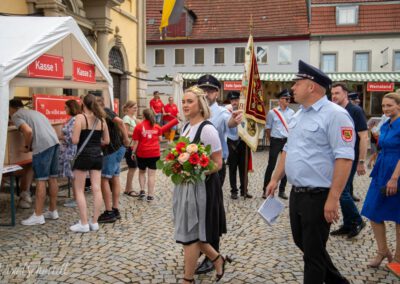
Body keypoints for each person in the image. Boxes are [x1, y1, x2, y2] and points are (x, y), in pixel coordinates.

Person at [266, 60, 354, 284]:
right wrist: (275, 178)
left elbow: (344, 158)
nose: (293, 88)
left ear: (311, 86)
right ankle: (338, 281)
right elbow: (287, 149)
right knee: (302, 242)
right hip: (298, 193)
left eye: (297, 83)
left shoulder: (336, 115)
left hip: (318, 195)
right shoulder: (299, 114)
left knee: (313, 255)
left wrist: (333, 199)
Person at [176, 86, 231, 283]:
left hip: (204, 188)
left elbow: (218, 163)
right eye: (183, 101)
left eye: (189, 101)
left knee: (190, 233)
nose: (185, 105)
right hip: (186, 186)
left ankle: (187, 279)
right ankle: (217, 259)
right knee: (190, 231)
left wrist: (196, 171)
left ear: (200, 105)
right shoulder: (185, 127)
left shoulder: (207, 129)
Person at [195, 74, 242, 274]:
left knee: (210, 212)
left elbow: (230, 126)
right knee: (196, 210)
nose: (206, 94)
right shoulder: (194, 111)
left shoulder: (221, 113)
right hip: (193, 169)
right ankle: (200, 246)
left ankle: (212, 255)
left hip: (214, 169)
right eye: (203, 90)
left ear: (217, 93)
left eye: (210, 90)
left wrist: (234, 120)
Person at [361, 92, 400, 268]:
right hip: (381, 170)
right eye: (383, 106)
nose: (385, 109)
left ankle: (399, 258)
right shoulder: (385, 125)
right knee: (372, 210)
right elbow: (383, 145)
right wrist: (375, 156)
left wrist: (394, 178)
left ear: (399, 106)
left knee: (398, 216)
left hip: (396, 172)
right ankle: (383, 251)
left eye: (389, 105)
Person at [9, 99, 60, 226]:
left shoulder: (16, 115)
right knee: (52, 178)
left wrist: (27, 146)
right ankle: (53, 211)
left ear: (11, 108)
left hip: (42, 146)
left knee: (41, 180)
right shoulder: (35, 112)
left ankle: (38, 215)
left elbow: (28, 131)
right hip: (54, 143)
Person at [330, 83, 367, 238]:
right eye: (332, 93)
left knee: (342, 191)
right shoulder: (336, 111)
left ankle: (358, 220)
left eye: (337, 93)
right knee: (346, 191)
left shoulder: (355, 110)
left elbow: (364, 136)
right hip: (338, 157)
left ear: (345, 94)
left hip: (350, 158)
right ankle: (347, 224)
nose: (334, 96)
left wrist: (361, 161)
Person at [70, 94, 109, 232]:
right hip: (97, 155)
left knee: (79, 190)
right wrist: (95, 142)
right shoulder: (102, 120)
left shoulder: (80, 118)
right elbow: (107, 141)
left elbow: (75, 140)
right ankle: (95, 222)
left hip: (83, 156)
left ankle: (84, 223)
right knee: (96, 189)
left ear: (82, 103)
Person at [96, 96, 129, 223]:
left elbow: (120, 122)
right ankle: (115, 209)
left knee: (104, 179)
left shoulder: (105, 111)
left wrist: (125, 138)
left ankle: (109, 211)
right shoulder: (105, 112)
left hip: (112, 149)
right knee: (114, 177)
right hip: (118, 147)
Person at [262, 89, 295, 200]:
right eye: (286, 99)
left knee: (285, 166)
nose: (288, 100)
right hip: (275, 140)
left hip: (287, 140)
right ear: (280, 100)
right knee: (271, 165)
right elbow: (268, 127)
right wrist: (270, 140)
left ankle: (282, 190)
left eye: (289, 99)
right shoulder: (272, 112)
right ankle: (265, 189)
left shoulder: (292, 113)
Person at [226, 91, 252, 199]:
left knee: (243, 168)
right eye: (232, 100)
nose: (234, 102)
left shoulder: (245, 112)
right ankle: (234, 191)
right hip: (231, 142)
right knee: (232, 168)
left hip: (243, 142)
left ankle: (244, 190)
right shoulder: (227, 112)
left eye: (236, 100)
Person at [131, 109, 162, 202]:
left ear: (143, 116)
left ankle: (142, 190)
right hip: (155, 153)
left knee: (141, 172)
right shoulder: (157, 126)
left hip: (142, 153)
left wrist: (133, 152)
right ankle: (150, 195)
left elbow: (136, 142)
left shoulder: (138, 127)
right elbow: (160, 139)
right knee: (151, 175)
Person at [59, 100, 81, 208]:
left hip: (72, 150)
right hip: (70, 150)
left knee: (74, 176)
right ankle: (75, 198)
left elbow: (72, 138)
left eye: (66, 107)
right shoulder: (73, 119)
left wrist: (62, 137)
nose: (64, 109)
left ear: (71, 107)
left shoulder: (74, 120)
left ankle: (77, 199)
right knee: (73, 176)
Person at [122, 101, 140, 197]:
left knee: (133, 167)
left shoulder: (133, 118)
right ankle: (129, 189)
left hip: (134, 146)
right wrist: (137, 135)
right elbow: (125, 132)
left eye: (136, 107)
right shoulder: (126, 118)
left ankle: (127, 188)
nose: (136, 109)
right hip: (129, 146)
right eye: (134, 107)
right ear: (128, 108)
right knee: (132, 167)